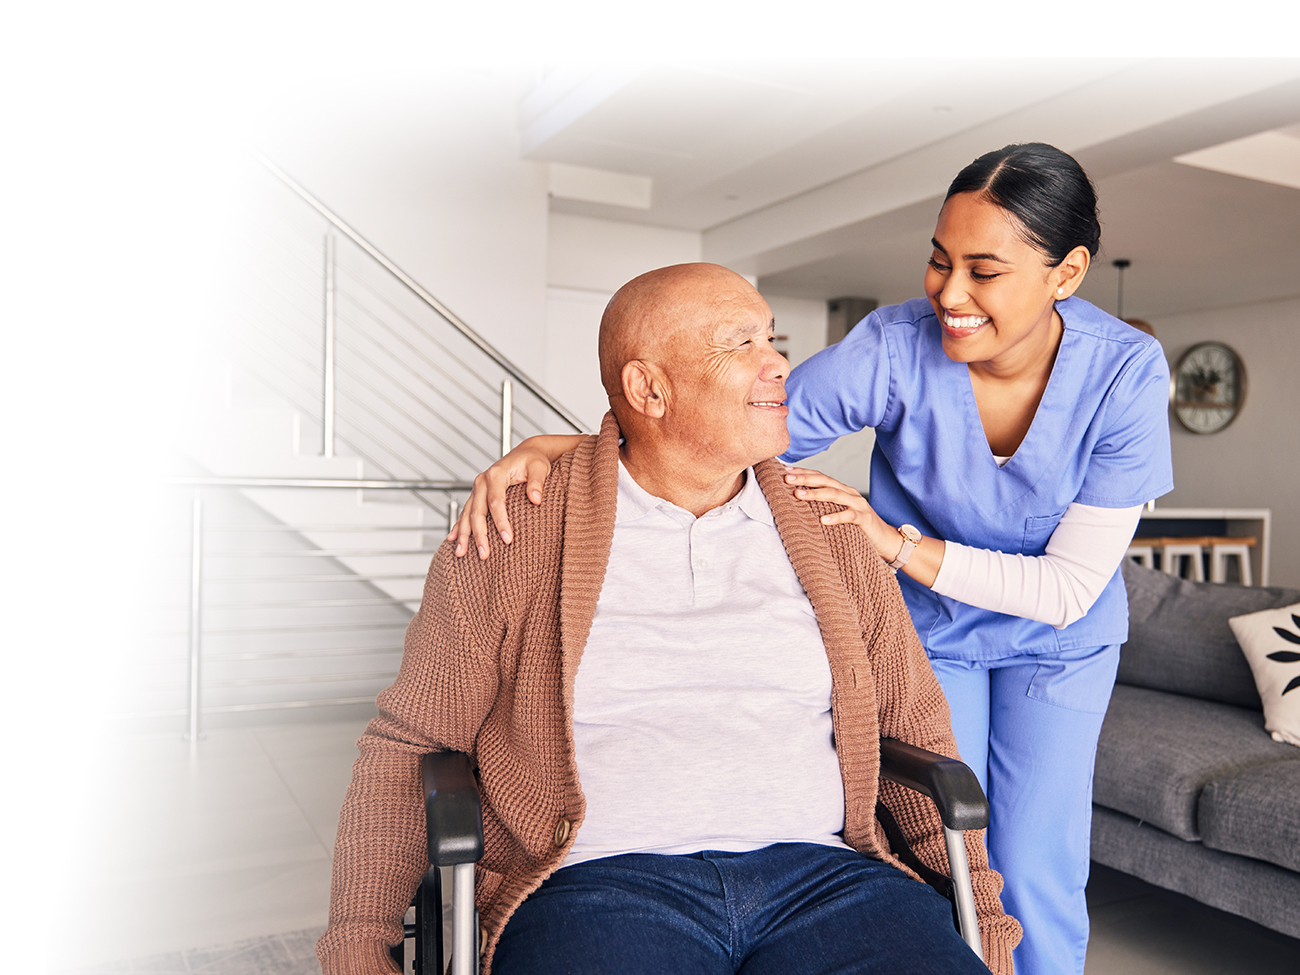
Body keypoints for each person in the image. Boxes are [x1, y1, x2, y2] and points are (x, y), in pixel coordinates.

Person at [450, 144, 1173, 975]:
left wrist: (893, 543)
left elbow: (1070, 585)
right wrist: (582, 445)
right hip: (928, 630)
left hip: (1059, 635)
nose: (951, 294)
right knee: (940, 846)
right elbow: (723, 416)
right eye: (939, 261)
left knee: (1041, 866)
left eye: (985, 270)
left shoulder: (1124, 372)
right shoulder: (898, 345)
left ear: (1068, 272)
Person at [318, 263, 1020, 975]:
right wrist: (357, 942)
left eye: (771, 338)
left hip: (828, 881)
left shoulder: (832, 527)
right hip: (597, 888)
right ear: (648, 389)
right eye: (739, 343)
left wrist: (986, 926)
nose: (778, 361)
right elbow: (411, 745)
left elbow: (920, 734)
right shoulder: (514, 530)